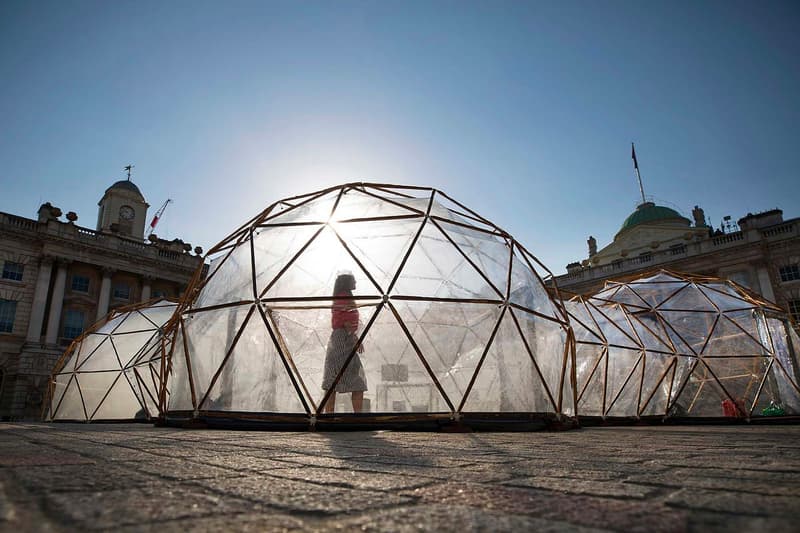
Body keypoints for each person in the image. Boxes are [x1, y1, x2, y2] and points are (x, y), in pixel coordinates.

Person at [321, 273, 367, 413]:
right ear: (347, 282)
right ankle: (335, 417)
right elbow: (344, 321)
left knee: (337, 381)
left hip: (343, 339)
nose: (356, 282)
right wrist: (354, 338)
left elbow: (346, 320)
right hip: (342, 340)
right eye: (354, 280)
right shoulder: (342, 297)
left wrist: (354, 337)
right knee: (337, 380)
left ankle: (334, 416)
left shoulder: (343, 297)